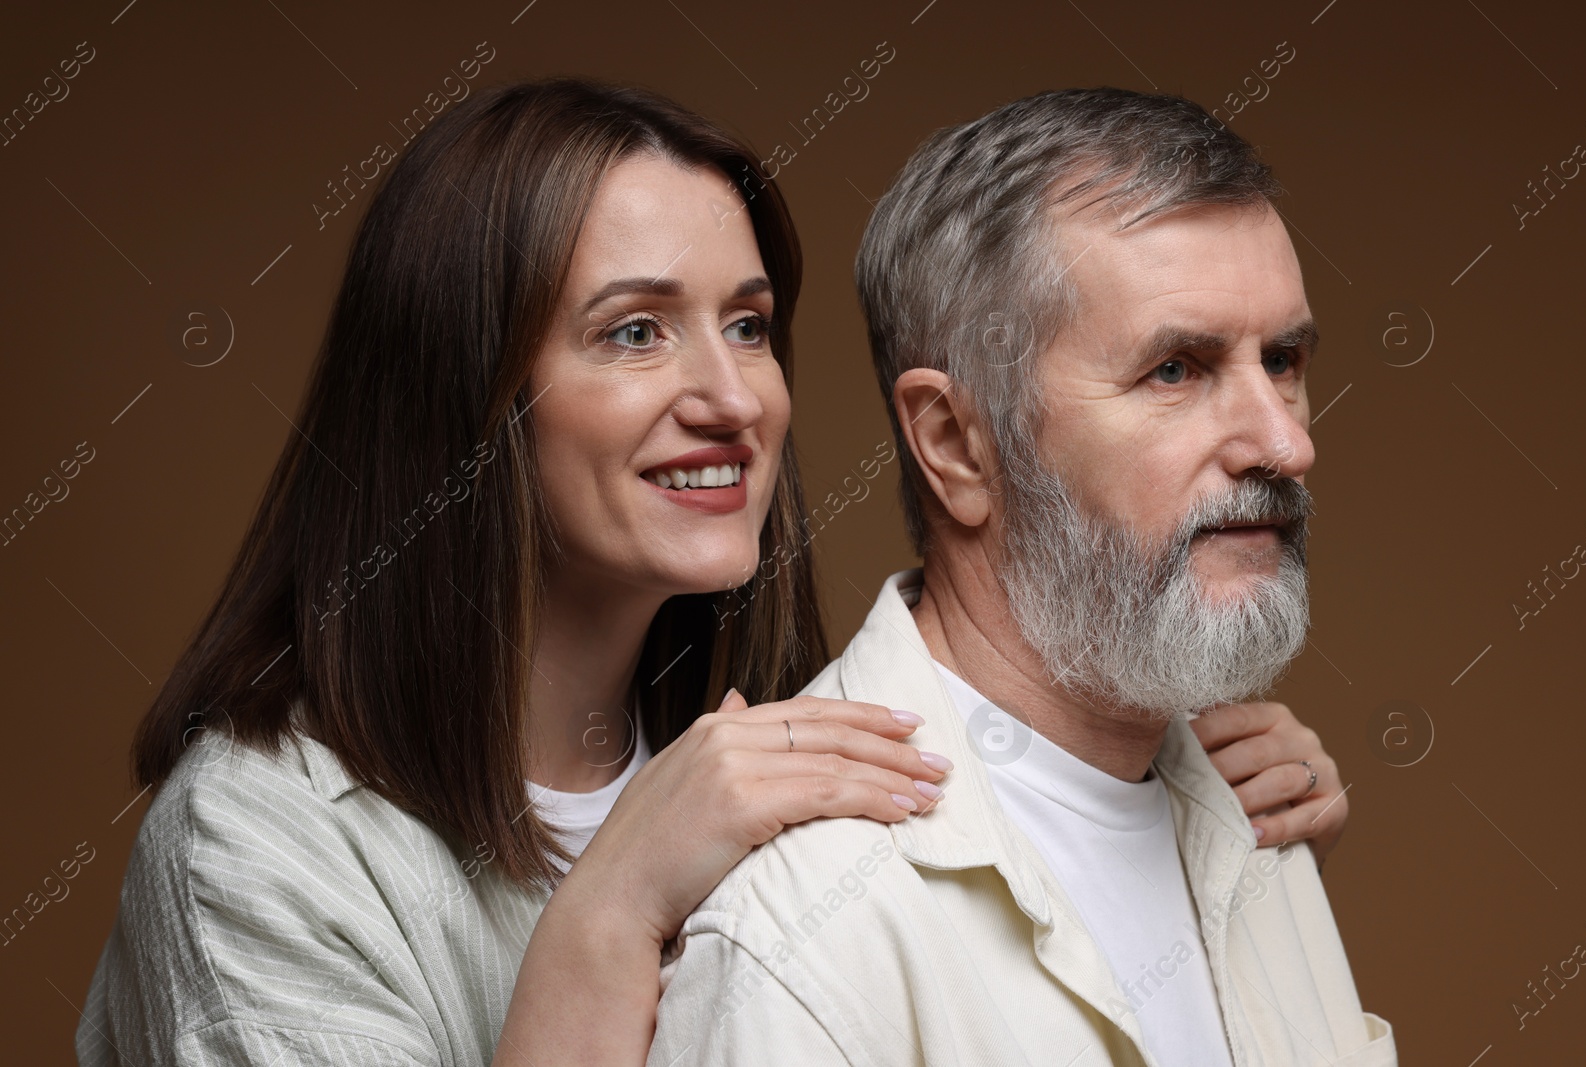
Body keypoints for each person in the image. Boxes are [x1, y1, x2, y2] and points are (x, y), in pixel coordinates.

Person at [76, 80, 1350, 1066]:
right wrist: (610, 909)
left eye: (747, 323)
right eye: (634, 331)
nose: (733, 395)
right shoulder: (254, 845)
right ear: (462, 399)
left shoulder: (770, 746)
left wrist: (1167, 789)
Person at [647, 87, 1396, 1066]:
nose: (1284, 440)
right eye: (1175, 368)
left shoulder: (1261, 823)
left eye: (1283, 357)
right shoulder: (801, 932)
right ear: (957, 444)